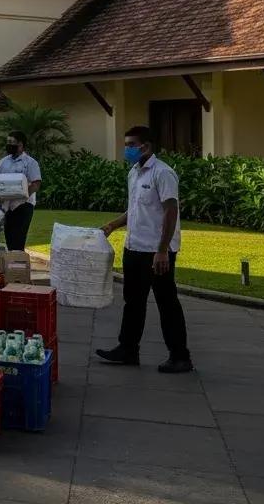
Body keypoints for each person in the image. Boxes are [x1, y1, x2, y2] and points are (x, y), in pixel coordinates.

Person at [95, 126, 193, 374]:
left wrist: (162, 250)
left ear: (146, 147)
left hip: (156, 250)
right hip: (134, 247)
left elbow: (171, 211)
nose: (126, 149)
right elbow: (136, 209)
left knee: (166, 302)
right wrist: (113, 225)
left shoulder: (163, 174)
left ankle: (180, 356)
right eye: (125, 144)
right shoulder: (134, 173)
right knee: (133, 302)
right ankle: (127, 349)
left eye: (130, 144)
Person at [0, 130, 42, 252]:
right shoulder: (3, 162)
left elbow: (36, 184)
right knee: (9, 236)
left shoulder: (30, 163)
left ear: (20, 144)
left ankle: (19, 265)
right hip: (6, 205)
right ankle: (12, 262)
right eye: (7, 141)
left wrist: (23, 195)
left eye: (12, 142)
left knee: (19, 237)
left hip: (23, 205)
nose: (9, 144)